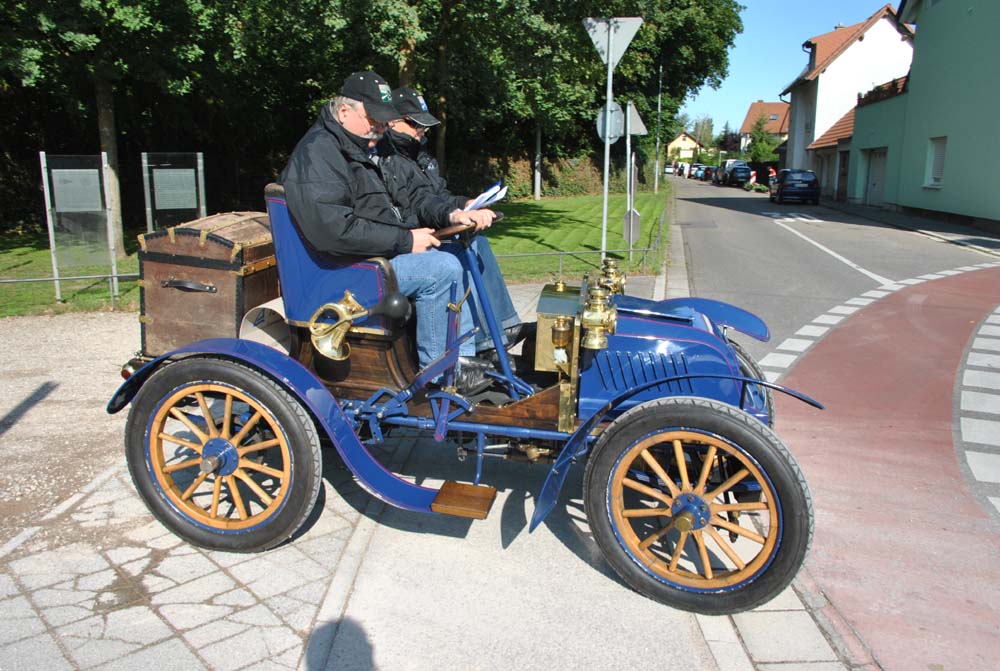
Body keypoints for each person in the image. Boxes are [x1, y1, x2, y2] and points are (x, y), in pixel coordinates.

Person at [279, 71, 494, 394]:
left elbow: (416, 196)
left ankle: (464, 358)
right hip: (340, 271)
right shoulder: (318, 154)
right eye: (374, 119)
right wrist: (406, 240)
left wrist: (453, 213)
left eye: (383, 120)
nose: (380, 127)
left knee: (460, 251)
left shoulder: (372, 147)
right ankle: (439, 375)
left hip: (373, 256)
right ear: (344, 112)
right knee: (440, 268)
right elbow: (334, 232)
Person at [377, 86, 531, 355]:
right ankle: (468, 352)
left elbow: (439, 195)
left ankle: (500, 330)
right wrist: (453, 215)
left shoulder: (419, 155)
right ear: (392, 121)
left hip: (426, 230)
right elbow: (420, 204)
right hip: (410, 241)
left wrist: (465, 204)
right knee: (455, 257)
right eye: (415, 124)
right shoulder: (391, 159)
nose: (421, 131)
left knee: (479, 244)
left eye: (424, 126)